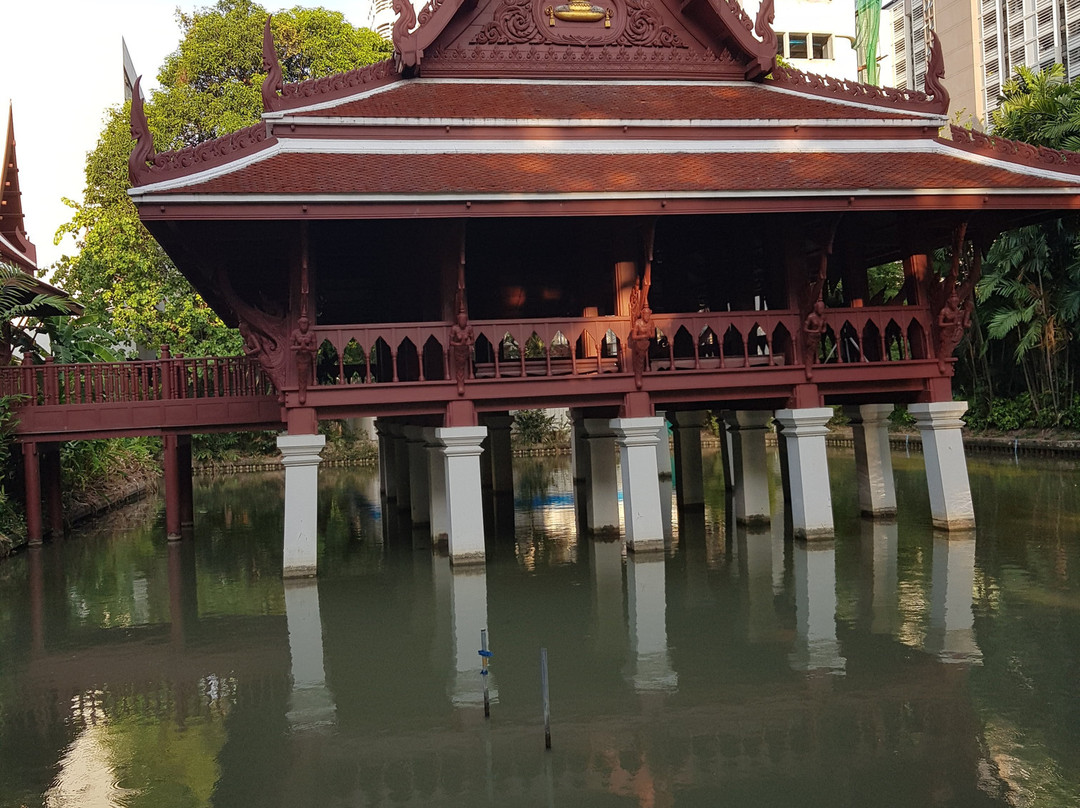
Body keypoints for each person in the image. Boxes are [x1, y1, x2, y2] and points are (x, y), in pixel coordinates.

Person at [291, 316, 317, 405]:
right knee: (301, 373)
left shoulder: (311, 334)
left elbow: (314, 347)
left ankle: (303, 390)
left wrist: (307, 347)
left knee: (304, 372)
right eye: (302, 323)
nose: (304, 325)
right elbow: (291, 346)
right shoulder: (295, 333)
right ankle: (302, 391)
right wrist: (300, 347)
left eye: (305, 323)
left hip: (307, 356)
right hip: (299, 356)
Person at [449, 309, 474, 395]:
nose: (463, 322)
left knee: (462, 367)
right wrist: (459, 343)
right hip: (458, 351)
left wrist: (467, 342)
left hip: (465, 350)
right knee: (460, 368)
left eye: (464, 320)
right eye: (461, 320)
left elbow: (472, 340)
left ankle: (461, 383)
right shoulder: (454, 328)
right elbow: (451, 342)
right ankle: (460, 384)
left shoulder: (469, 328)